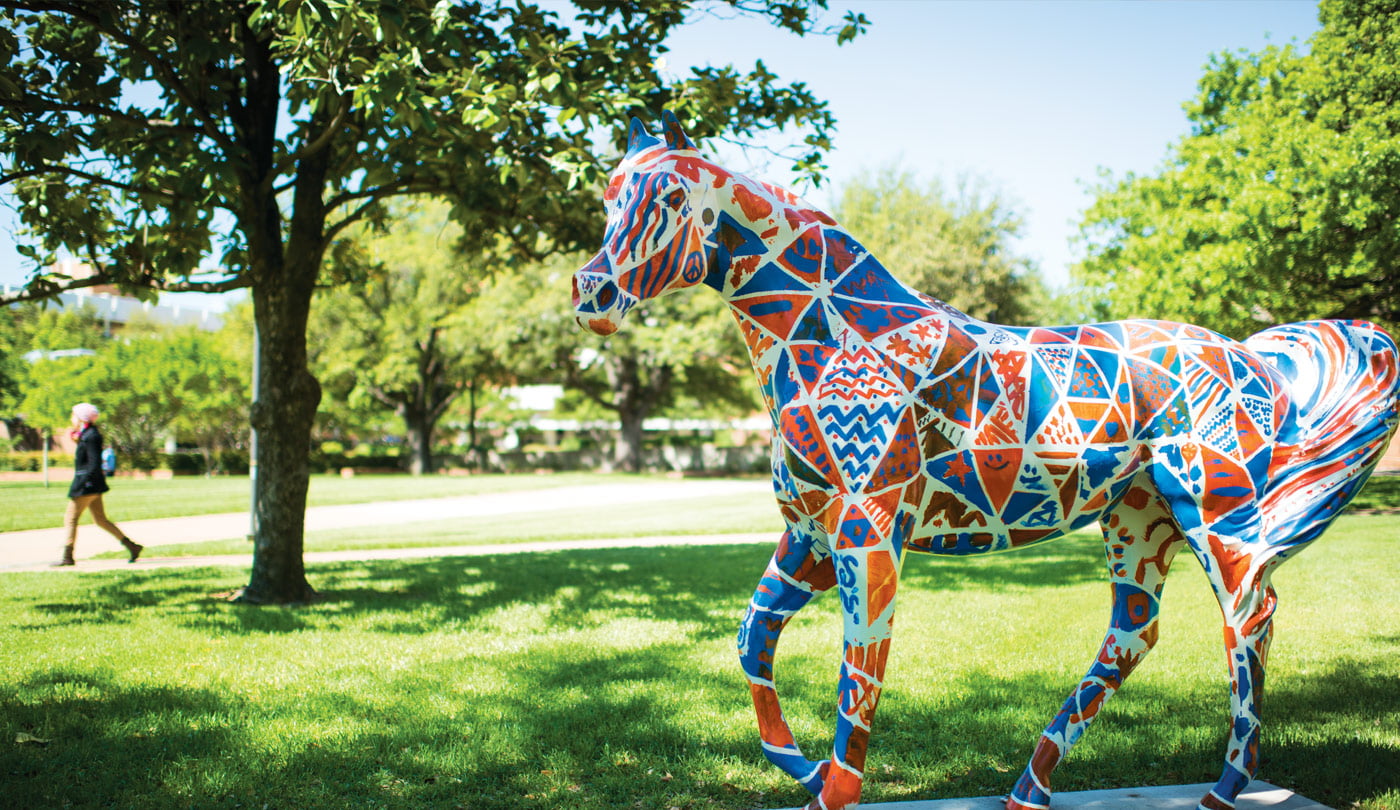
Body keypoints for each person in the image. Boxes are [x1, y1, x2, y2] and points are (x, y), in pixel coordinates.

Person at [55, 403, 142, 567]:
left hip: (86, 485)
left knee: (71, 518)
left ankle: (68, 556)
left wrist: (84, 484)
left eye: (74, 415)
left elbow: (94, 463)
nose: (71, 418)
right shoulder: (86, 434)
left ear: (82, 417)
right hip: (92, 484)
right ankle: (132, 546)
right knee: (101, 520)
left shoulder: (92, 435)